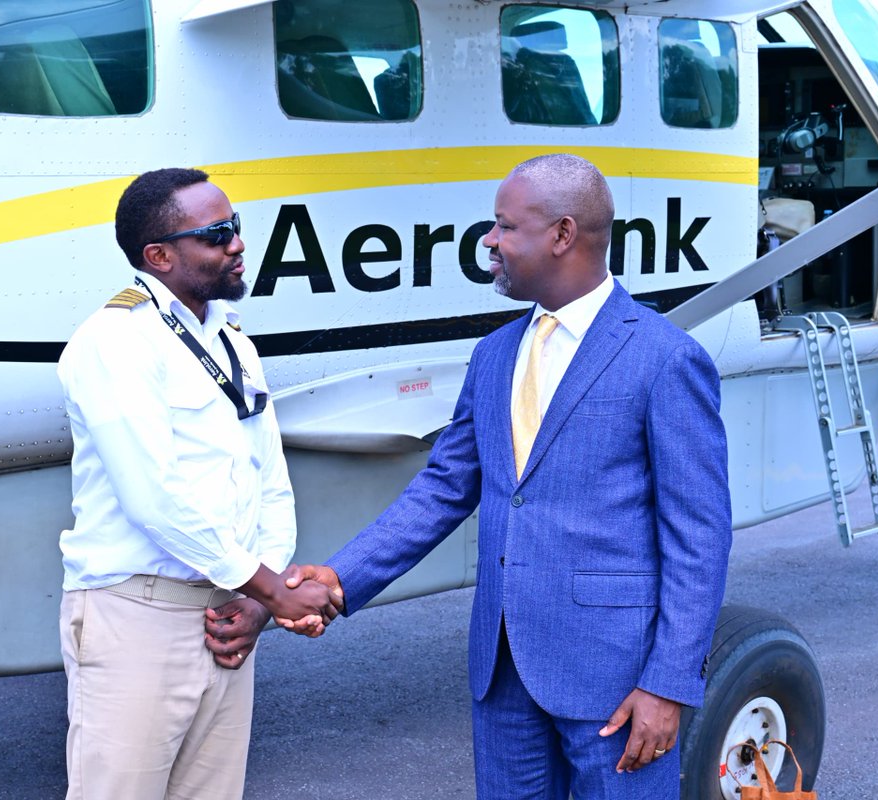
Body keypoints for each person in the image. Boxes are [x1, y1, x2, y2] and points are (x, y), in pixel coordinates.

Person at [281, 154, 732, 799]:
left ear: (562, 235)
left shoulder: (665, 359)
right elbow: (443, 488)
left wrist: (669, 682)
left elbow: (700, 537)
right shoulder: (495, 354)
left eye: (504, 227)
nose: (489, 242)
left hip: (618, 680)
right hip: (502, 670)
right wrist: (340, 578)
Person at [56, 167, 338, 800]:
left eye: (235, 227)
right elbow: (154, 498)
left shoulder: (232, 341)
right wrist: (270, 588)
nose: (237, 244)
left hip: (227, 616)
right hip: (139, 615)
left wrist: (261, 600)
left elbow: (269, 481)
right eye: (216, 234)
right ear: (159, 256)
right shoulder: (115, 341)